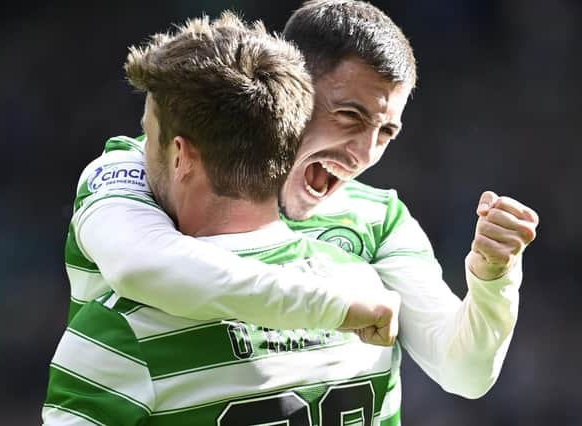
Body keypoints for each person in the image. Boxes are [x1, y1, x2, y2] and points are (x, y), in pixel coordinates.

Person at [61, 0, 539, 424]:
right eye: (349, 116)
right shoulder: (148, 168)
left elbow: (464, 371)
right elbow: (142, 266)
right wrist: (338, 306)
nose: (363, 154)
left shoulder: (376, 219)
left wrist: (493, 281)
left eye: (386, 132)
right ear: (294, 85)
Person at [44, 12, 402, 425]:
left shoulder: (124, 329)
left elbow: (139, 265)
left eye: (148, 134)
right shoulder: (365, 291)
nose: (138, 152)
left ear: (181, 156)